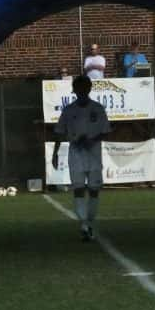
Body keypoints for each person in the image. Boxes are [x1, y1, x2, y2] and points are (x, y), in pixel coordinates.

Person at [52, 75, 111, 241]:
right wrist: (55, 153)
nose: (80, 93)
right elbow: (59, 131)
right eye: (77, 90)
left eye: (83, 89)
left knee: (94, 190)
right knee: (78, 189)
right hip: (76, 154)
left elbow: (106, 131)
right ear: (75, 91)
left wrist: (92, 139)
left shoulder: (98, 109)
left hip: (94, 154)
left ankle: (89, 222)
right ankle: (84, 225)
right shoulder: (69, 110)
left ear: (89, 89)